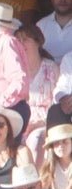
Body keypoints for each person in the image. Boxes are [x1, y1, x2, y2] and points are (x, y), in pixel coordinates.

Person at [15, 23, 59, 160]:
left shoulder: (52, 68)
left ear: (38, 42)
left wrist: (39, 123)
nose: (21, 44)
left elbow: (58, 102)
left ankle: (37, 181)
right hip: (20, 126)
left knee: (36, 138)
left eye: (25, 40)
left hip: (46, 124)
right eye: (18, 41)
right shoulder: (14, 71)